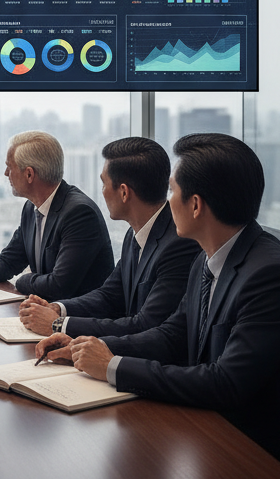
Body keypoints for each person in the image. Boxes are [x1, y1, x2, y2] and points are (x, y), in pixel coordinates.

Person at [36, 134, 280, 460]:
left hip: (278, 459)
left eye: (173, 191)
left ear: (195, 205)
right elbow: (172, 336)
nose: (167, 202)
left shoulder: (272, 277)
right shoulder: (207, 259)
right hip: (218, 431)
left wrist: (112, 366)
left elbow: (226, 383)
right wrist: (86, 347)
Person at [19, 137, 200, 337]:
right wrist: (58, 309)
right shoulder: (135, 233)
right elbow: (110, 295)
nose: (102, 192)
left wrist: (59, 325)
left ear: (124, 193)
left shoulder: (178, 245)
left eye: (104, 184)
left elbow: (146, 324)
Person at [0, 131, 112, 300]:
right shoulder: (31, 207)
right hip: (44, 313)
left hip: (76, 323)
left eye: (9, 167)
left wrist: (22, 280)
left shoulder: (79, 214)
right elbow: (9, 261)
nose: (6, 174)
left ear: (29, 174)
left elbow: (59, 285)